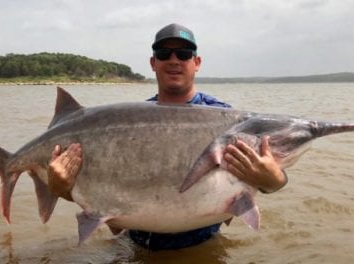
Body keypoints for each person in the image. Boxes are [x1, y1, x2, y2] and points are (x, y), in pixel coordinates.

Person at [47, 23, 288, 251]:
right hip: (135, 245)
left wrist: (275, 180)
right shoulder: (132, 122)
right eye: (164, 53)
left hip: (202, 246)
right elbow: (109, 191)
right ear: (153, 62)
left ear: (197, 62)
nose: (174, 60)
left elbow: (263, 176)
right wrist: (60, 189)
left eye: (183, 54)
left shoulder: (225, 118)